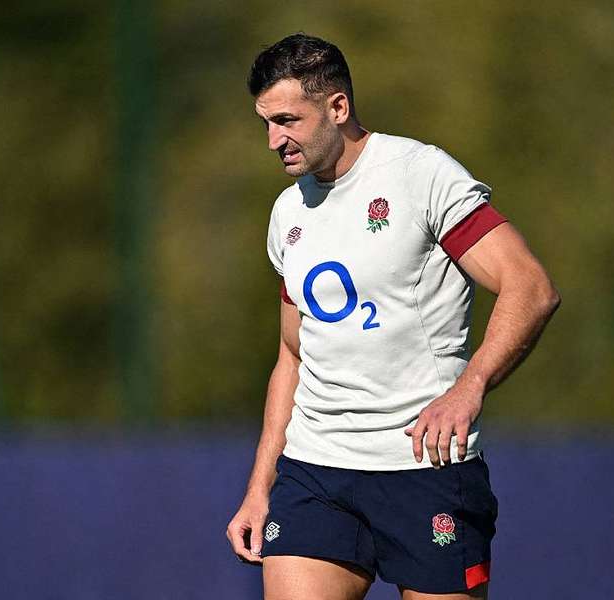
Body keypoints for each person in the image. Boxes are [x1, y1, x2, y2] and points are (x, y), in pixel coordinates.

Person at [226, 33, 560, 600]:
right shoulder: (288, 212)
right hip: (315, 472)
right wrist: (261, 486)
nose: (272, 140)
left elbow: (529, 286)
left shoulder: (420, 175)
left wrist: (469, 386)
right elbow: (291, 355)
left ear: (338, 107)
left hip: (424, 470)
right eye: (265, 122)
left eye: (287, 120)